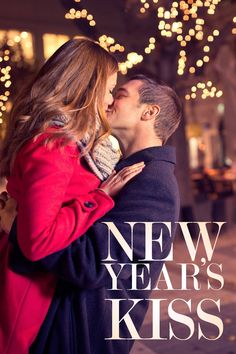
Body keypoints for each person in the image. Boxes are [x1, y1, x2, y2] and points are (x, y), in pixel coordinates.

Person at [1, 75, 182, 354]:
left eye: (119, 94)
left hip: (82, 334)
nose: (108, 100)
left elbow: (95, 264)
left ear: (149, 112)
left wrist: (19, 224)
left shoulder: (153, 182)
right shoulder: (125, 170)